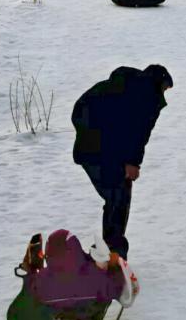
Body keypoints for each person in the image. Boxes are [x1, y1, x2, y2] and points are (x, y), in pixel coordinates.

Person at [72, 65, 173, 259]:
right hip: (100, 151)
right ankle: (112, 252)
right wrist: (132, 162)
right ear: (158, 83)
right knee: (118, 196)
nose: (164, 94)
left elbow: (81, 110)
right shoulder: (146, 95)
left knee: (117, 196)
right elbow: (138, 131)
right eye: (165, 88)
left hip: (94, 149)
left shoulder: (125, 86)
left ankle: (108, 249)